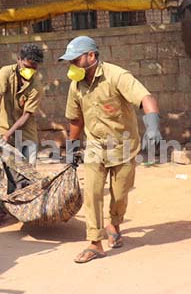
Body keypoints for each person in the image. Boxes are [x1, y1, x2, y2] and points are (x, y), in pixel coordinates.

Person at [60, 36, 162, 264]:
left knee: (120, 194)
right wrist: (72, 148)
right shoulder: (75, 85)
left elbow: (146, 98)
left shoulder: (117, 76)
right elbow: (76, 119)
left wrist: (153, 127)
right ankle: (95, 243)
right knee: (92, 193)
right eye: (69, 62)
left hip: (123, 146)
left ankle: (114, 224)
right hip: (95, 146)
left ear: (91, 56)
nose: (71, 65)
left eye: (75, 60)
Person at [0, 43, 44, 225]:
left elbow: (26, 116)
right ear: (19, 60)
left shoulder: (37, 86)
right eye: (27, 66)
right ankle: (2, 208)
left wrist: (10, 134)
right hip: (3, 128)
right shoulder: (5, 72)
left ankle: (26, 210)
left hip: (26, 133)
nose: (30, 70)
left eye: (34, 67)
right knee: (3, 173)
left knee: (27, 173)